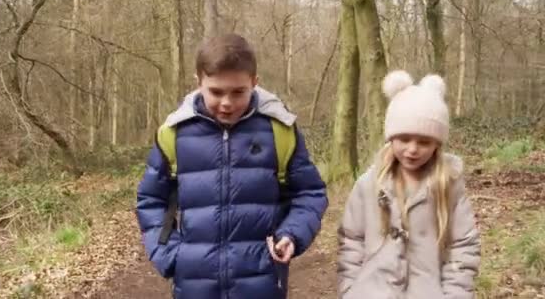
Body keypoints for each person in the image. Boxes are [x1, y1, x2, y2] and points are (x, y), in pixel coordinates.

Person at [136, 33, 328, 299]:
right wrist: (168, 254)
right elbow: (150, 199)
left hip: (262, 283)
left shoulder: (279, 130)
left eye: (238, 92)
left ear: (254, 83)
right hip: (194, 286)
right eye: (216, 92)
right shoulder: (174, 133)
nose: (227, 103)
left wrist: (291, 234)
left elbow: (310, 194)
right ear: (199, 83)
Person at [337, 70, 480, 299]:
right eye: (404, 139)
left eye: (424, 142)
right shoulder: (367, 186)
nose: (412, 149)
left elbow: (463, 246)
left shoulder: (448, 186)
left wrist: (455, 294)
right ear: (391, 138)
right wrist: (350, 291)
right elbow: (351, 242)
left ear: (437, 144)